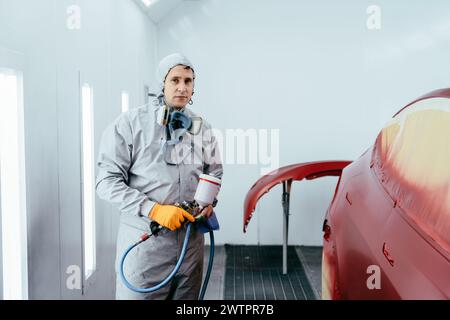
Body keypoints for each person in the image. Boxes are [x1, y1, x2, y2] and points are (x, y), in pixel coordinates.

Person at [95, 53, 223, 300]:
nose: (182, 87)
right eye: (175, 80)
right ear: (161, 84)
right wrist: (153, 209)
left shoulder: (201, 127)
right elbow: (106, 182)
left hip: (190, 245)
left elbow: (214, 171)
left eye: (188, 81)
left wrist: (208, 203)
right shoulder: (130, 124)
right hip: (146, 247)